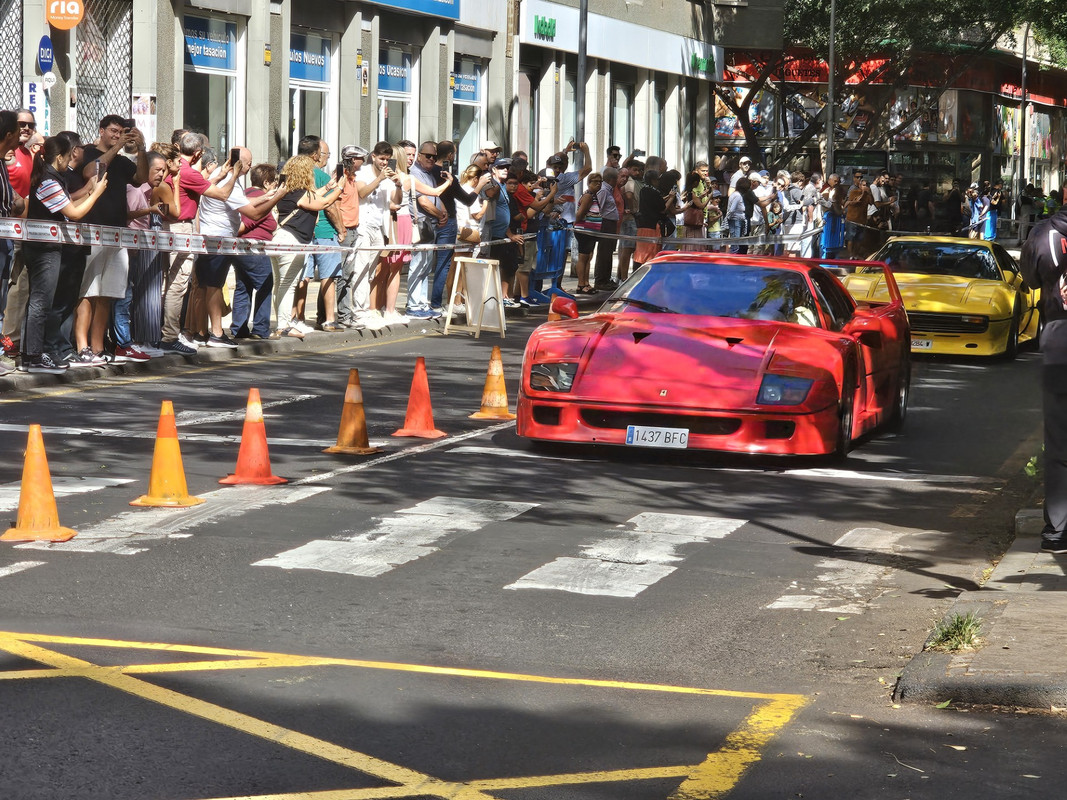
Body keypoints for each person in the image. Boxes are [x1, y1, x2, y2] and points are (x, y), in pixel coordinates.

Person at [21, 135, 108, 373]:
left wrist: (90, 191)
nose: (71, 160)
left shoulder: (52, 179)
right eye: (69, 155)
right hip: (43, 249)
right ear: (59, 157)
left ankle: (35, 354)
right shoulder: (48, 181)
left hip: (49, 247)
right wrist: (96, 193)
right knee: (41, 302)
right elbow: (74, 213)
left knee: (42, 302)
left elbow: (69, 206)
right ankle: (34, 355)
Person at [197, 146, 285, 346]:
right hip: (218, 240)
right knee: (213, 286)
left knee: (214, 286)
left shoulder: (228, 178)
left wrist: (267, 196)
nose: (250, 167)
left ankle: (204, 332)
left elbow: (243, 201)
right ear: (238, 162)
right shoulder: (228, 179)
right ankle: (216, 333)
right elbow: (253, 214)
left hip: (221, 240)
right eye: (248, 163)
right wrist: (278, 197)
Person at [1020, 206, 1067, 552]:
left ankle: (1058, 530)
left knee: (1059, 441)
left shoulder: (1044, 233)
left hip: (1060, 340)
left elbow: (1031, 279)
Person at [270, 154, 342, 338]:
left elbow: (314, 196)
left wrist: (328, 187)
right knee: (288, 284)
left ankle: (281, 324)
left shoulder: (288, 191)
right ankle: (284, 325)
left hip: (280, 238)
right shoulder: (300, 193)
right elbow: (324, 202)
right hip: (292, 241)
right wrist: (340, 187)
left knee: (280, 284)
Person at [292, 136, 344, 333]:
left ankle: (298, 317)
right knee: (328, 276)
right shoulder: (321, 176)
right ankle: (329, 319)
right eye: (326, 155)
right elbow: (330, 207)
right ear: (316, 155)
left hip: (301, 231)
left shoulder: (294, 174)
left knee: (303, 276)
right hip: (324, 231)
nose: (326, 159)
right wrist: (341, 229)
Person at [353, 141, 402, 330]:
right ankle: (359, 312)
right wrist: (380, 179)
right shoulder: (363, 172)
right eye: (382, 159)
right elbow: (362, 193)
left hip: (379, 227)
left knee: (371, 272)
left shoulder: (388, 176)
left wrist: (398, 185)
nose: (384, 163)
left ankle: (366, 310)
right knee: (361, 268)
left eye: (387, 160)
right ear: (373, 156)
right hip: (363, 225)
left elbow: (396, 200)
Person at [234, 162, 281, 340]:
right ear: (267, 183)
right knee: (264, 286)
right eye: (274, 182)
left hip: (240, 249)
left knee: (243, 286)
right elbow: (247, 221)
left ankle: (239, 328)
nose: (276, 185)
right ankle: (260, 329)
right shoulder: (262, 198)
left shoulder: (244, 194)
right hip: (254, 249)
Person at [333, 145, 367, 330]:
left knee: (347, 275)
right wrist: (341, 229)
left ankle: (344, 313)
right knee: (341, 276)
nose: (364, 162)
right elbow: (335, 205)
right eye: (362, 159)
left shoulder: (352, 178)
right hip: (344, 231)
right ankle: (343, 315)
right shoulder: (341, 177)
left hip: (353, 229)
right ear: (353, 160)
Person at [573, 172, 605, 294]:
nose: (598, 184)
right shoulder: (588, 196)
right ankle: (581, 284)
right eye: (595, 181)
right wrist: (575, 225)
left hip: (591, 232)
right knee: (583, 257)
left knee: (589, 257)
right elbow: (580, 214)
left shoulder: (594, 196)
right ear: (589, 183)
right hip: (584, 231)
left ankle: (586, 283)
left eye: (600, 182)